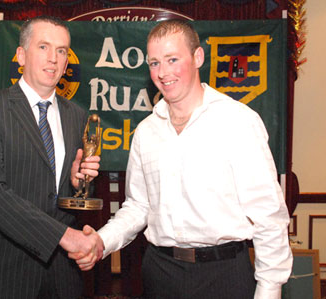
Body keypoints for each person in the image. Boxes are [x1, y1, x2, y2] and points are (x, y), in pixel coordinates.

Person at [74, 20, 293, 299]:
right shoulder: (146, 132)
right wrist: (101, 240)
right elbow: (139, 206)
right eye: (154, 63)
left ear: (198, 57)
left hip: (224, 275)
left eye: (172, 59)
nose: (163, 73)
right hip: (160, 273)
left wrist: (270, 289)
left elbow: (269, 216)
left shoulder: (238, 122)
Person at [0, 15, 102, 298]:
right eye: (43, 47)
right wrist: (65, 238)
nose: (53, 58)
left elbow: (67, 197)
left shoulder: (77, 116)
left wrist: (78, 184)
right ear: (21, 55)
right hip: (6, 270)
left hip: (64, 276)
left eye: (62, 51)